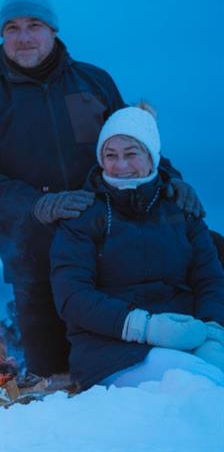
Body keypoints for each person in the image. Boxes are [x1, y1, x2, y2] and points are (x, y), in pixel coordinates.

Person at [0, 0, 202, 378]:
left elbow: (133, 138)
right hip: (32, 254)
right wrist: (35, 204)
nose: (23, 37)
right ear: (2, 36)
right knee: (51, 373)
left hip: (108, 247)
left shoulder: (93, 82)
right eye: (12, 28)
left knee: (116, 361)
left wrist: (171, 179)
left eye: (34, 26)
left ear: (53, 30)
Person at [50, 106, 224, 389]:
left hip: (187, 335)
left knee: (214, 370)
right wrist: (145, 327)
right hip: (109, 351)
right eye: (110, 155)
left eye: (131, 154)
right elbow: (73, 297)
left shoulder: (180, 209)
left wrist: (213, 330)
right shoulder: (83, 215)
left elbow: (210, 278)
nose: (120, 166)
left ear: (152, 156)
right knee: (202, 381)